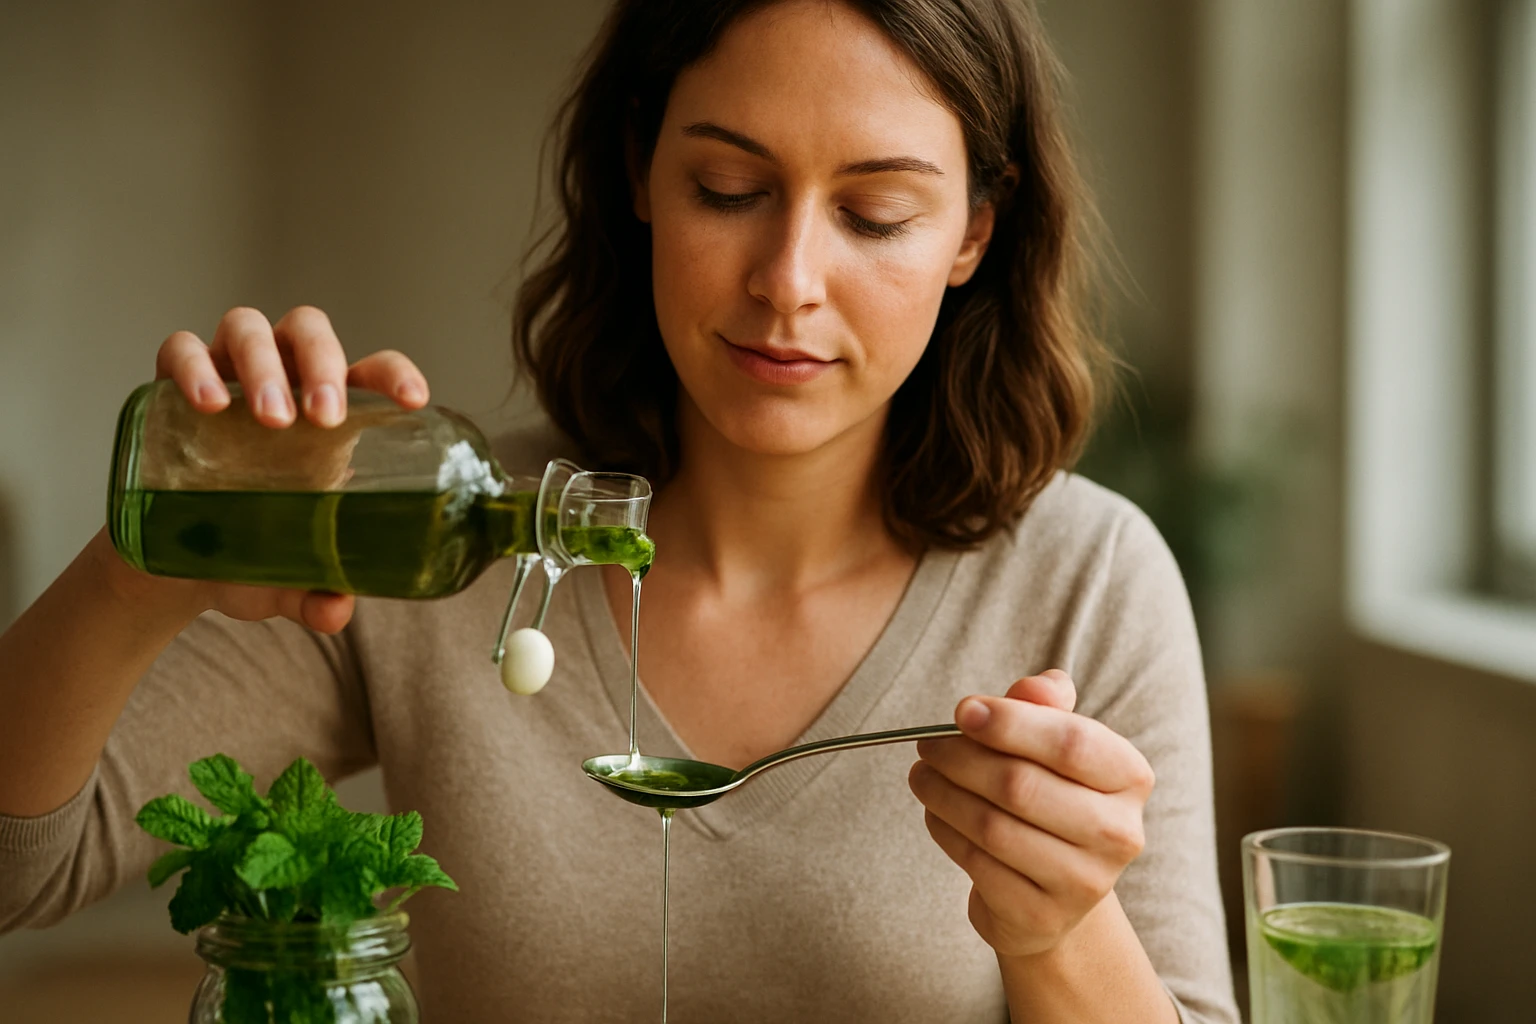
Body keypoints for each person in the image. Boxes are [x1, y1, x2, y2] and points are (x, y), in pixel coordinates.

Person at [0, 1, 1239, 1021]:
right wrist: (142, 568)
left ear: (973, 229)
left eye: (875, 214)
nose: (788, 283)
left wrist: (1060, 930)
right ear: (643, 170)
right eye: (728, 187)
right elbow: (22, 868)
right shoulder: (439, 542)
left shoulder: (1089, 579)